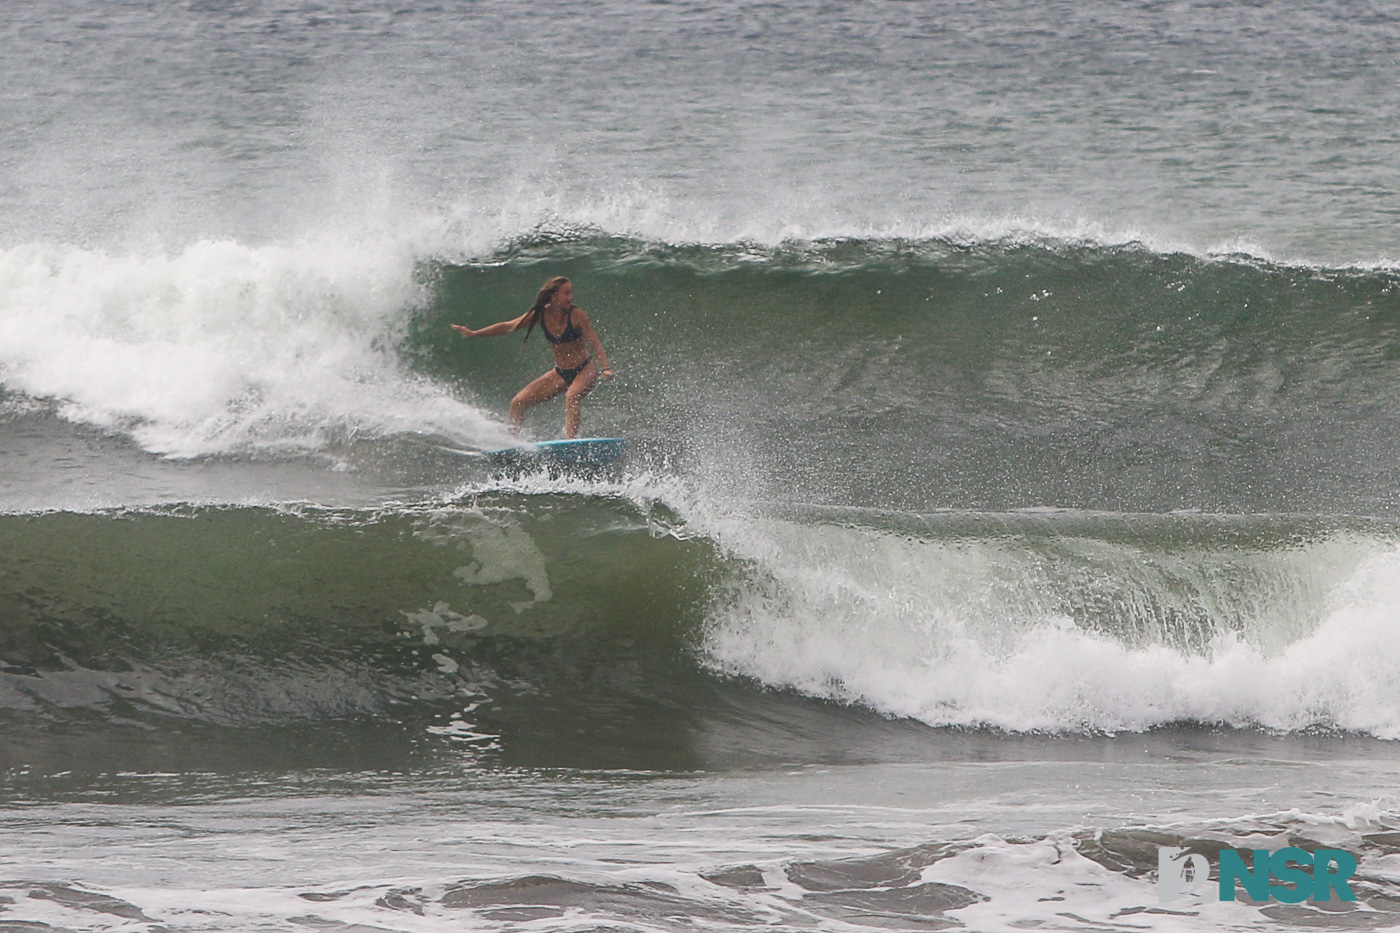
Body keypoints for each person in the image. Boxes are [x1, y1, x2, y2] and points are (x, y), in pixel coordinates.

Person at [450, 276, 614, 439]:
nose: (570, 297)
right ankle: (511, 441)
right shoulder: (541, 315)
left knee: (571, 396)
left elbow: (595, 343)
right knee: (518, 403)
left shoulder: (577, 316)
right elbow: (508, 326)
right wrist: (475, 333)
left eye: (571, 293)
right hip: (561, 373)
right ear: (554, 295)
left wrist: (605, 367)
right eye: (566, 293)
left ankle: (571, 442)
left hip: (584, 369)